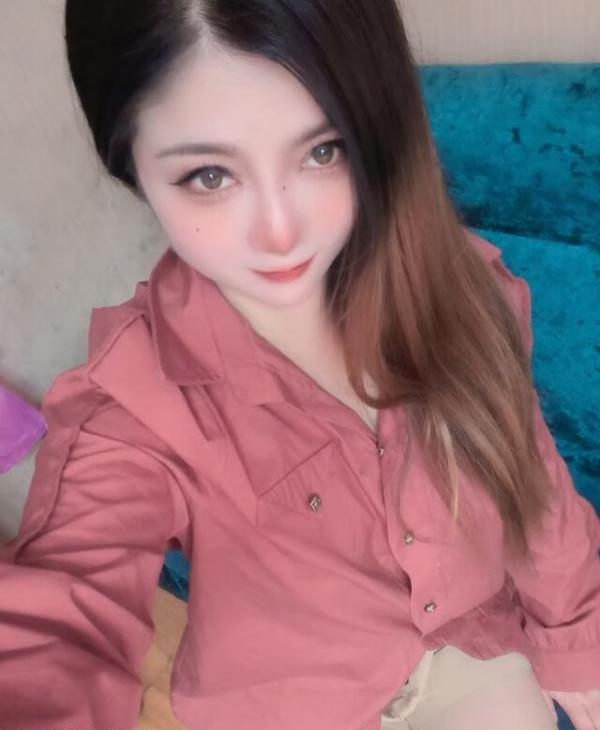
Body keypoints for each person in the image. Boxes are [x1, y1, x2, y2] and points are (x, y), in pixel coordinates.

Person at [0, 1, 598, 729]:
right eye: (210, 175)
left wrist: (578, 633)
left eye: (323, 151)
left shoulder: (469, 290)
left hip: (473, 649)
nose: (281, 231)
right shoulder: (130, 408)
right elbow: (66, 612)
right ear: (131, 166)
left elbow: (529, 473)